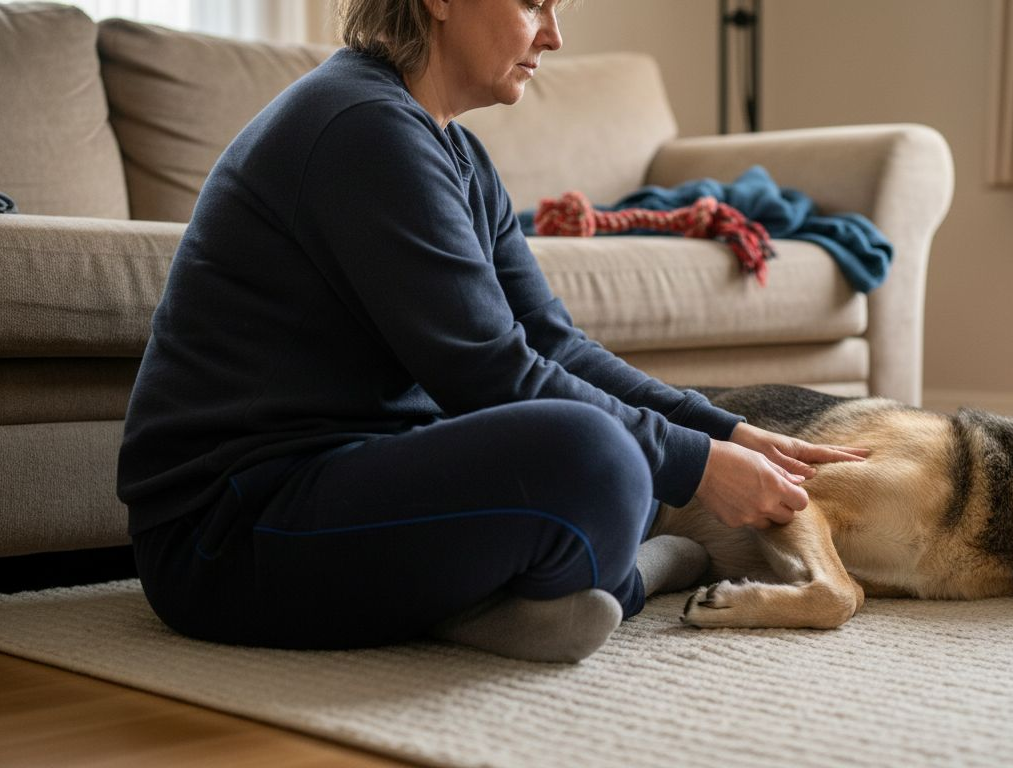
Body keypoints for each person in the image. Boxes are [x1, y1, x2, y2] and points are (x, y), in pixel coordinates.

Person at [117, 0, 869, 663]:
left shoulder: (456, 152)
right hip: (227, 534)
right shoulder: (361, 128)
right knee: (600, 458)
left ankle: (494, 602)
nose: (554, 37)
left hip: (351, 472)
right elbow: (490, 373)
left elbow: (554, 344)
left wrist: (724, 431)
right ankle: (608, 578)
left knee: (626, 451)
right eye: (534, 3)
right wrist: (696, 466)